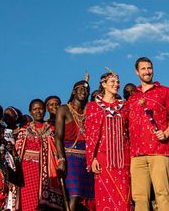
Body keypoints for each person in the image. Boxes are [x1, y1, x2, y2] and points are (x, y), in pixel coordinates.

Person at [126, 57, 169, 211]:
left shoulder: (165, 92)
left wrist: (166, 133)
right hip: (136, 154)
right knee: (139, 197)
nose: (147, 71)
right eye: (143, 69)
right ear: (137, 72)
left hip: (159, 150)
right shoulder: (132, 98)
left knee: (162, 193)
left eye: (149, 68)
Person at [86, 71, 132, 210]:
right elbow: (90, 135)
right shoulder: (93, 107)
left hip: (124, 158)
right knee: (104, 197)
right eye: (112, 82)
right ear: (104, 84)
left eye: (117, 82)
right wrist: (92, 158)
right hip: (102, 158)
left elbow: (129, 132)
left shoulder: (125, 106)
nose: (116, 85)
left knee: (124, 197)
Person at [14, 99, 65, 210]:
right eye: (35, 109)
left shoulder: (52, 129)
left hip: (47, 170)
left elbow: (57, 149)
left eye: (40, 109)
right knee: (28, 200)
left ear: (44, 110)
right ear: (30, 111)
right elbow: (17, 152)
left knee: (44, 203)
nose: (38, 111)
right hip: (27, 171)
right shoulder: (23, 130)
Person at [55, 80, 94, 209]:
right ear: (73, 92)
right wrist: (61, 159)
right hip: (70, 156)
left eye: (87, 90)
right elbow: (58, 137)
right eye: (81, 89)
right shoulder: (64, 109)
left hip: (87, 156)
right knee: (74, 194)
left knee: (89, 196)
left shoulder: (90, 110)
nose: (84, 92)